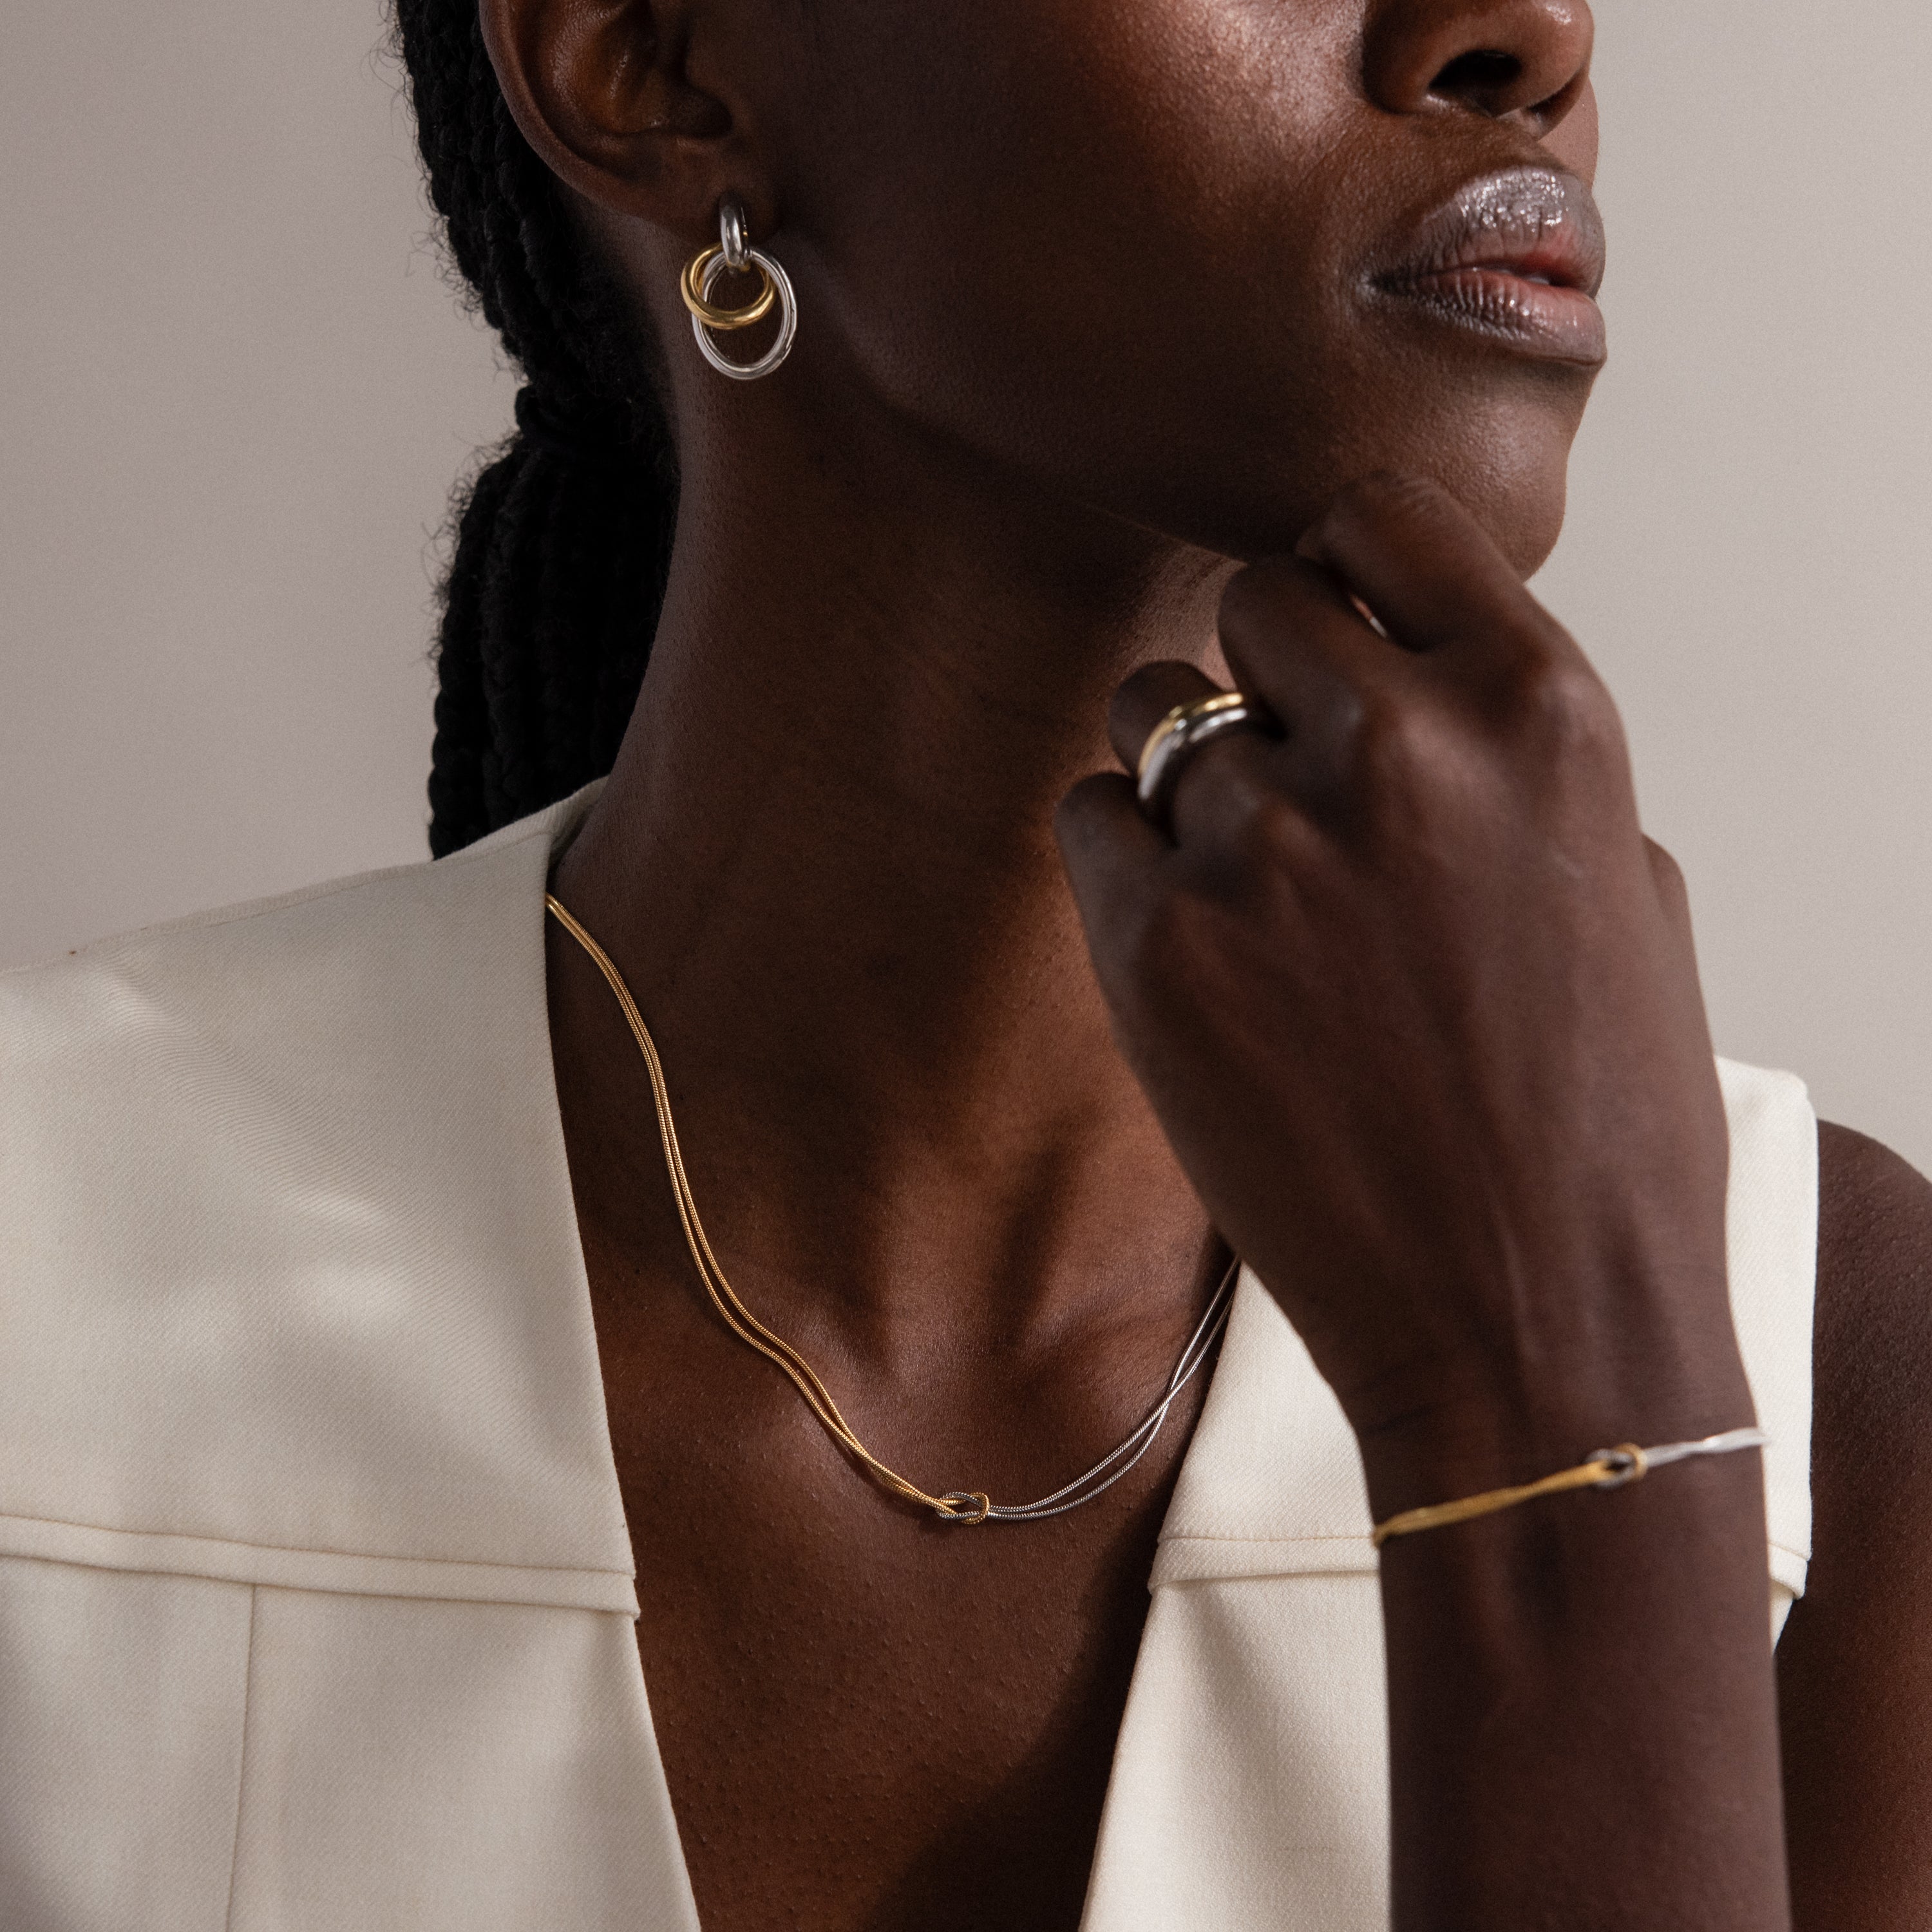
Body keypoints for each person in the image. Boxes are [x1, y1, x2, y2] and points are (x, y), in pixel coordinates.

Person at [3, 0, 1928, 1926]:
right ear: (650, 60)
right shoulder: (47, 1282)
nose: (1527, 28)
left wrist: (1560, 1396)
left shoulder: (1844, 1384)